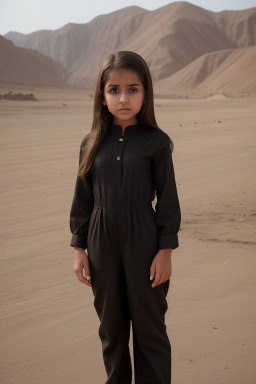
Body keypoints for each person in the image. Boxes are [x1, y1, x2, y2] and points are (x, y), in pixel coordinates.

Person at [69, 50, 181, 384]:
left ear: (145, 94)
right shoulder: (91, 143)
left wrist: (165, 251)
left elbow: (169, 201)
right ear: (102, 97)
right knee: (111, 330)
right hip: (101, 244)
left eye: (133, 89)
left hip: (144, 242)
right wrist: (78, 249)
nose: (123, 98)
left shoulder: (157, 143)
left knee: (150, 328)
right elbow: (82, 200)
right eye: (114, 90)